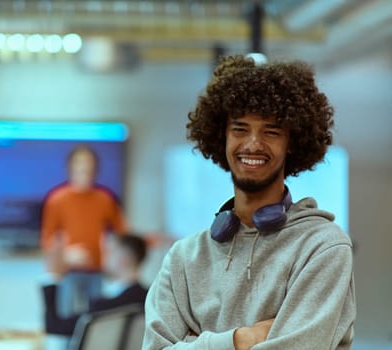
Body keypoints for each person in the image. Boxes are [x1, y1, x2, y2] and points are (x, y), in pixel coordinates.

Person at [143, 55, 356, 349]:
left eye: (271, 131)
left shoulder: (322, 247)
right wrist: (241, 340)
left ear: (292, 142)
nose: (253, 144)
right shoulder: (184, 258)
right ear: (222, 137)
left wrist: (195, 343)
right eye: (240, 129)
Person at [39, 145, 129, 316]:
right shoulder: (57, 199)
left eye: (89, 164)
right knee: (67, 320)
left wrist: (112, 257)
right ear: (70, 167)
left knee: (96, 319)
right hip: (68, 272)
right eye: (80, 164)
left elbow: (122, 234)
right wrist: (65, 254)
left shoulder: (105, 199)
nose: (85, 169)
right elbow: (47, 239)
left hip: (97, 272)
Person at [41, 233, 148, 336]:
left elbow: (55, 326)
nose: (102, 259)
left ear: (123, 258)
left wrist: (52, 275)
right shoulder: (149, 298)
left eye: (107, 252)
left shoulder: (107, 306)